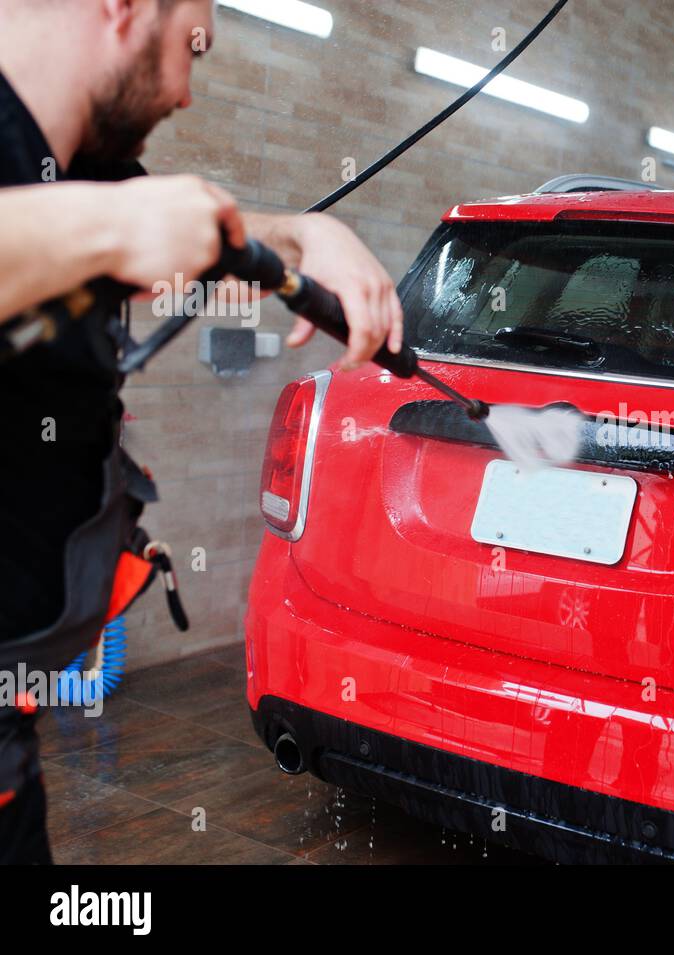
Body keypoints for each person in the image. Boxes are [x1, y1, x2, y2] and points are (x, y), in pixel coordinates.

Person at [0, 0, 404, 863]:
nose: (185, 94)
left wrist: (307, 233)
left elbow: (197, 232)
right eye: (195, 49)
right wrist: (108, 232)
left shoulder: (69, 170)